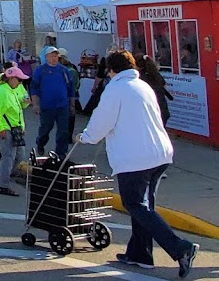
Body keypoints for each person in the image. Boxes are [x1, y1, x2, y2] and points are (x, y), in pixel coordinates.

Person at [78, 50, 199, 277]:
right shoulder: (143, 86)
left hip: (135, 157)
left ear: (111, 70)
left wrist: (85, 137)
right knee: (145, 207)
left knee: (135, 205)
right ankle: (140, 254)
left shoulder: (115, 89)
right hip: (159, 153)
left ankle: (180, 247)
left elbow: (101, 121)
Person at [30, 46, 75, 158]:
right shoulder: (40, 70)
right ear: (46, 57)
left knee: (63, 131)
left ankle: (60, 153)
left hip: (62, 106)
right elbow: (34, 88)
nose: (54, 58)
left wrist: (72, 104)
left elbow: (70, 88)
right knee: (45, 129)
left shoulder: (64, 70)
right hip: (47, 106)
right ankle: (40, 143)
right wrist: (35, 104)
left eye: (56, 56)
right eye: (51, 56)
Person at [0, 66, 28, 197]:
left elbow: (17, 111)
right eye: (19, 80)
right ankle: (4, 185)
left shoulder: (9, 90)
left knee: (18, 157)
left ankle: (5, 178)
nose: (20, 83)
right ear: (11, 78)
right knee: (8, 157)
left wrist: (22, 127)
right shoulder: (2, 92)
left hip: (13, 129)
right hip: (6, 130)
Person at [136, 55, 173, 127]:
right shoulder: (155, 74)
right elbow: (164, 85)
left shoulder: (139, 78)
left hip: (152, 113)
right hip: (162, 110)